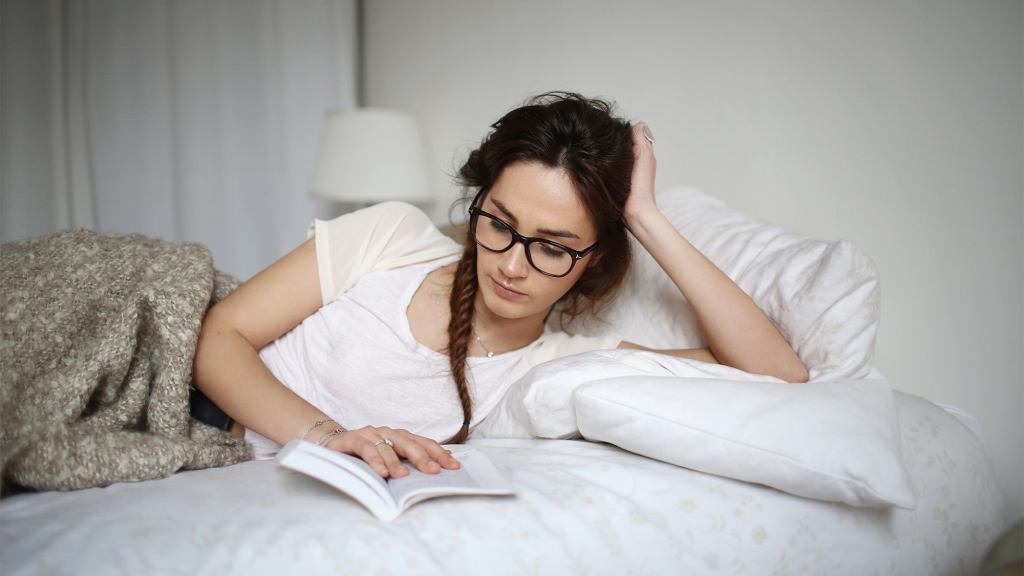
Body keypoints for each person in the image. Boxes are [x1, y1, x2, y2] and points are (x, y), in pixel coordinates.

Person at [191, 91, 808, 481]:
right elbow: (221, 333)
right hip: (180, 391)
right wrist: (331, 436)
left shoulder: (565, 366)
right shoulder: (393, 233)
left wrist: (646, 218)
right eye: (500, 226)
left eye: (553, 247)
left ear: (592, 259)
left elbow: (777, 373)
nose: (512, 266)